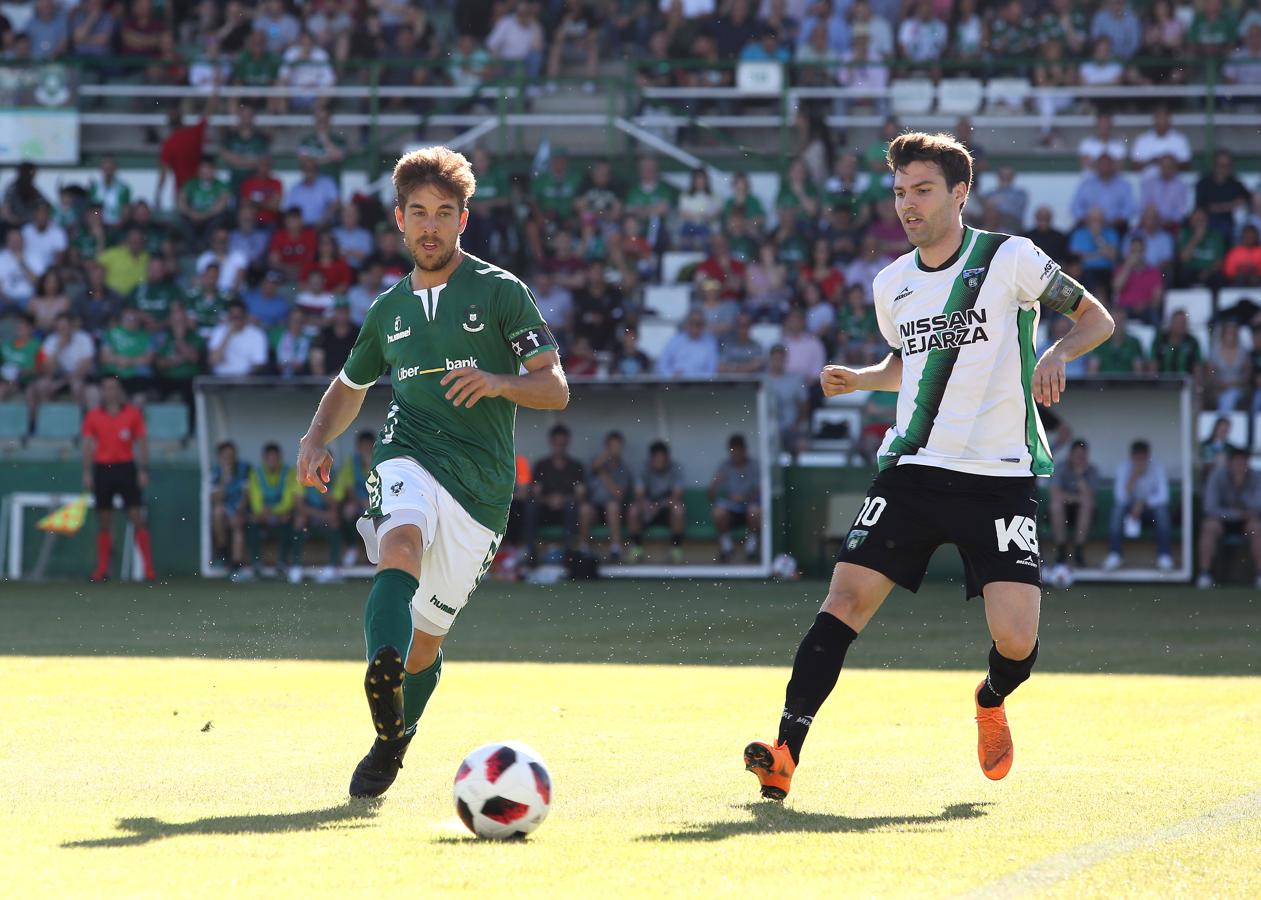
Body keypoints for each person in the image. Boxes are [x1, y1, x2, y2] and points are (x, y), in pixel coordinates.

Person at [743, 131, 1115, 801]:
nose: (906, 205)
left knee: (1016, 640)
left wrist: (1057, 353)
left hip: (998, 478)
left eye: (920, 190)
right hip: (911, 471)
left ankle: (990, 696)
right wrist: (860, 379)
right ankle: (783, 751)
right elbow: (905, 366)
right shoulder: (892, 283)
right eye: (897, 193)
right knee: (843, 601)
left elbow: (1095, 319)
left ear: (958, 193)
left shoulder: (1009, 258)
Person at [293, 146, 567, 799]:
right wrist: (315, 438)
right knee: (399, 542)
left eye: (444, 214)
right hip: (407, 453)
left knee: (426, 644)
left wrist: (498, 381)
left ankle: (394, 737)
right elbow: (350, 383)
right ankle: (378, 671)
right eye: (418, 213)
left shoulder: (501, 292)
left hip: (482, 491)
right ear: (398, 219)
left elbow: (553, 389)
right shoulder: (386, 311)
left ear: (463, 220)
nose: (430, 227)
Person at [82, 376, 156, 582]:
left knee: (136, 516)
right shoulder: (93, 415)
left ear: (120, 391)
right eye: (105, 388)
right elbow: (88, 444)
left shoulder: (133, 414)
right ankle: (102, 570)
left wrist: (143, 469)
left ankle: (149, 569)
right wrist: (87, 472)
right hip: (102, 469)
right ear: (102, 392)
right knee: (104, 520)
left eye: (113, 388)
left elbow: (142, 442)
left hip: (126, 468)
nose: (110, 392)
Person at [1103, 440, 1173, 572]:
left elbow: (1164, 496)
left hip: (1149, 513)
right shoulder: (1123, 468)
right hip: (1129, 512)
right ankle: (1114, 554)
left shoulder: (1158, 468)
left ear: (1148, 456)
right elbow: (1120, 497)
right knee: (1117, 510)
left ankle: (1164, 556)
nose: (1140, 461)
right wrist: (1134, 476)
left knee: (1162, 511)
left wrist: (1143, 503)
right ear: (1132, 457)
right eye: (1137, 457)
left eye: (1143, 457)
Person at [1196, 449, 1261, 589]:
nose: (1240, 466)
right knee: (1209, 527)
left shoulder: (1256, 477)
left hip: (1247, 521)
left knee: (1257, 528)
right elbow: (1210, 507)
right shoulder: (1217, 476)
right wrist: (1236, 513)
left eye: (1243, 462)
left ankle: (1259, 574)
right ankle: (1205, 573)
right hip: (1222, 520)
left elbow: (1257, 505)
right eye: (1237, 462)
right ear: (1229, 463)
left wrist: (1241, 488)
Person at [627, 439, 686, 565]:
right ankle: (636, 548)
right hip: (647, 509)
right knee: (633, 510)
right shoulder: (643, 468)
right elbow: (639, 494)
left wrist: (659, 506)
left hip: (666, 510)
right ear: (651, 458)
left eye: (662, 459)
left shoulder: (676, 468)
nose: (659, 462)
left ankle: (676, 549)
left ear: (667, 458)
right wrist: (648, 506)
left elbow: (677, 495)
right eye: (656, 459)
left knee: (678, 509)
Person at [247, 441, 300, 576]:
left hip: (281, 514)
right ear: (264, 459)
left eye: (275, 459)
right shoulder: (256, 474)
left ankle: (282, 562)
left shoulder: (289, 473)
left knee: (287, 520)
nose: (272, 462)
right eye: (269, 459)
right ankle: (256, 563)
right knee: (252, 521)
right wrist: (262, 512)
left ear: (280, 458)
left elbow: (288, 501)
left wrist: (273, 511)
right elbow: (255, 500)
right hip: (263, 515)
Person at [581, 430, 634, 562]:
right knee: (584, 509)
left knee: (612, 507)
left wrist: (604, 475)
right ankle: (583, 548)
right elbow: (592, 468)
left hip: (614, 511)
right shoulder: (596, 462)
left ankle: (615, 549)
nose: (614, 450)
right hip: (595, 508)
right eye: (611, 446)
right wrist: (606, 457)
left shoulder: (623, 468)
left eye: (617, 446)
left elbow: (618, 494)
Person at [709, 433, 762, 564]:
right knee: (718, 512)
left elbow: (762, 491)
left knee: (754, 511)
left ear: (745, 450)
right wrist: (715, 484)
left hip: (749, 507)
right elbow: (710, 497)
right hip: (732, 510)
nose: (736, 454)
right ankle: (727, 548)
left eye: (739, 451)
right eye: (733, 451)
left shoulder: (754, 465)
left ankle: (751, 549)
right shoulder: (724, 466)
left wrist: (744, 496)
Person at [1048, 439, 1099, 568]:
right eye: (1077, 456)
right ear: (1070, 455)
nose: (1079, 459)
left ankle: (1078, 551)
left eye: (1082, 456)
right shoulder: (1060, 467)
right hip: (1063, 511)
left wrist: (1079, 477)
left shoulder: (1092, 470)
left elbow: (1089, 497)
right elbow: (1055, 493)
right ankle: (1061, 550)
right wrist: (1077, 498)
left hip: (1084, 514)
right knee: (1056, 505)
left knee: (1086, 505)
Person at [210, 439, 251, 578]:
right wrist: (224, 477)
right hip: (225, 510)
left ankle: (235, 565)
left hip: (241, 509)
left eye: (232, 455)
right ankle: (222, 550)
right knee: (218, 511)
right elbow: (217, 498)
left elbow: (247, 495)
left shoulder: (244, 468)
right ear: (220, 457)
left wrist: (240, 511)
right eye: (226, 456)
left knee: (237, 525)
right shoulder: (216, 471)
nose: (230, 459)